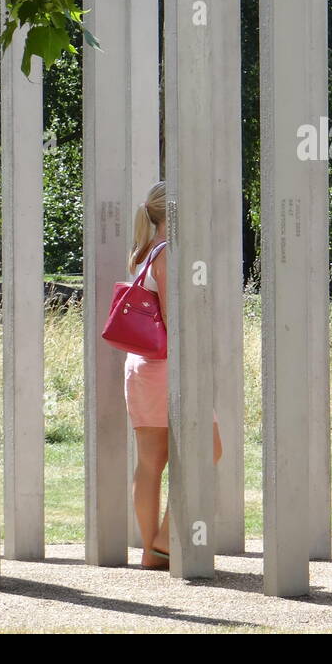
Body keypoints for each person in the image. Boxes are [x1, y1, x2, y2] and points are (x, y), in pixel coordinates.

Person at [125, 180, 223, 571]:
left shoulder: (145, 251)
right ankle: (163, 541)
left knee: (150, 462)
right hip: (165, 366)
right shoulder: (167, 253)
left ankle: (152, 551)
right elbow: (171, 318)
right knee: (209, 449)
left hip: (141, 364)